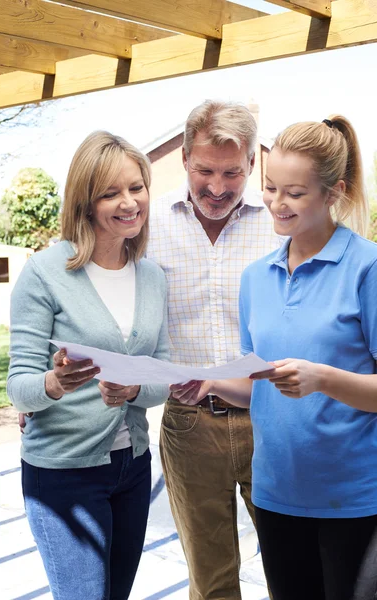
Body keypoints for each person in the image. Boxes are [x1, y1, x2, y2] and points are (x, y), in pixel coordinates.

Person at [172, 115, 377, 600]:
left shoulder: (366, 268)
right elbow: (256, 385)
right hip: (277, 493)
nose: (276, 204)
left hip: (355, 499)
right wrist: (211, 383)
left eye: (294, 193)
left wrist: (322, 378)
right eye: (269, 188)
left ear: (333, 193)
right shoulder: (256, 278)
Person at [7, 131, 169, 600]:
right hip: (63, 473)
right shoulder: (44, 273)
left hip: (133, 467)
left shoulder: (152, 276)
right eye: (110, 193)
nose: (129, 202)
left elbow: (161, 374)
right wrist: (55, 383)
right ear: (85, 202)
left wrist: (135, 390)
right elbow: (18, 388)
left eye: (136, 187)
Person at [146, 100, 279, 599]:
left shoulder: (277, 225)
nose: (217, 187)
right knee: (211, 577)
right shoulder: (148, 224)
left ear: (250, 165)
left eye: (231, 172)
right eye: (205, 170)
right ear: (184, 159)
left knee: (293, 565)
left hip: (270, 417)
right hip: (188, 424)